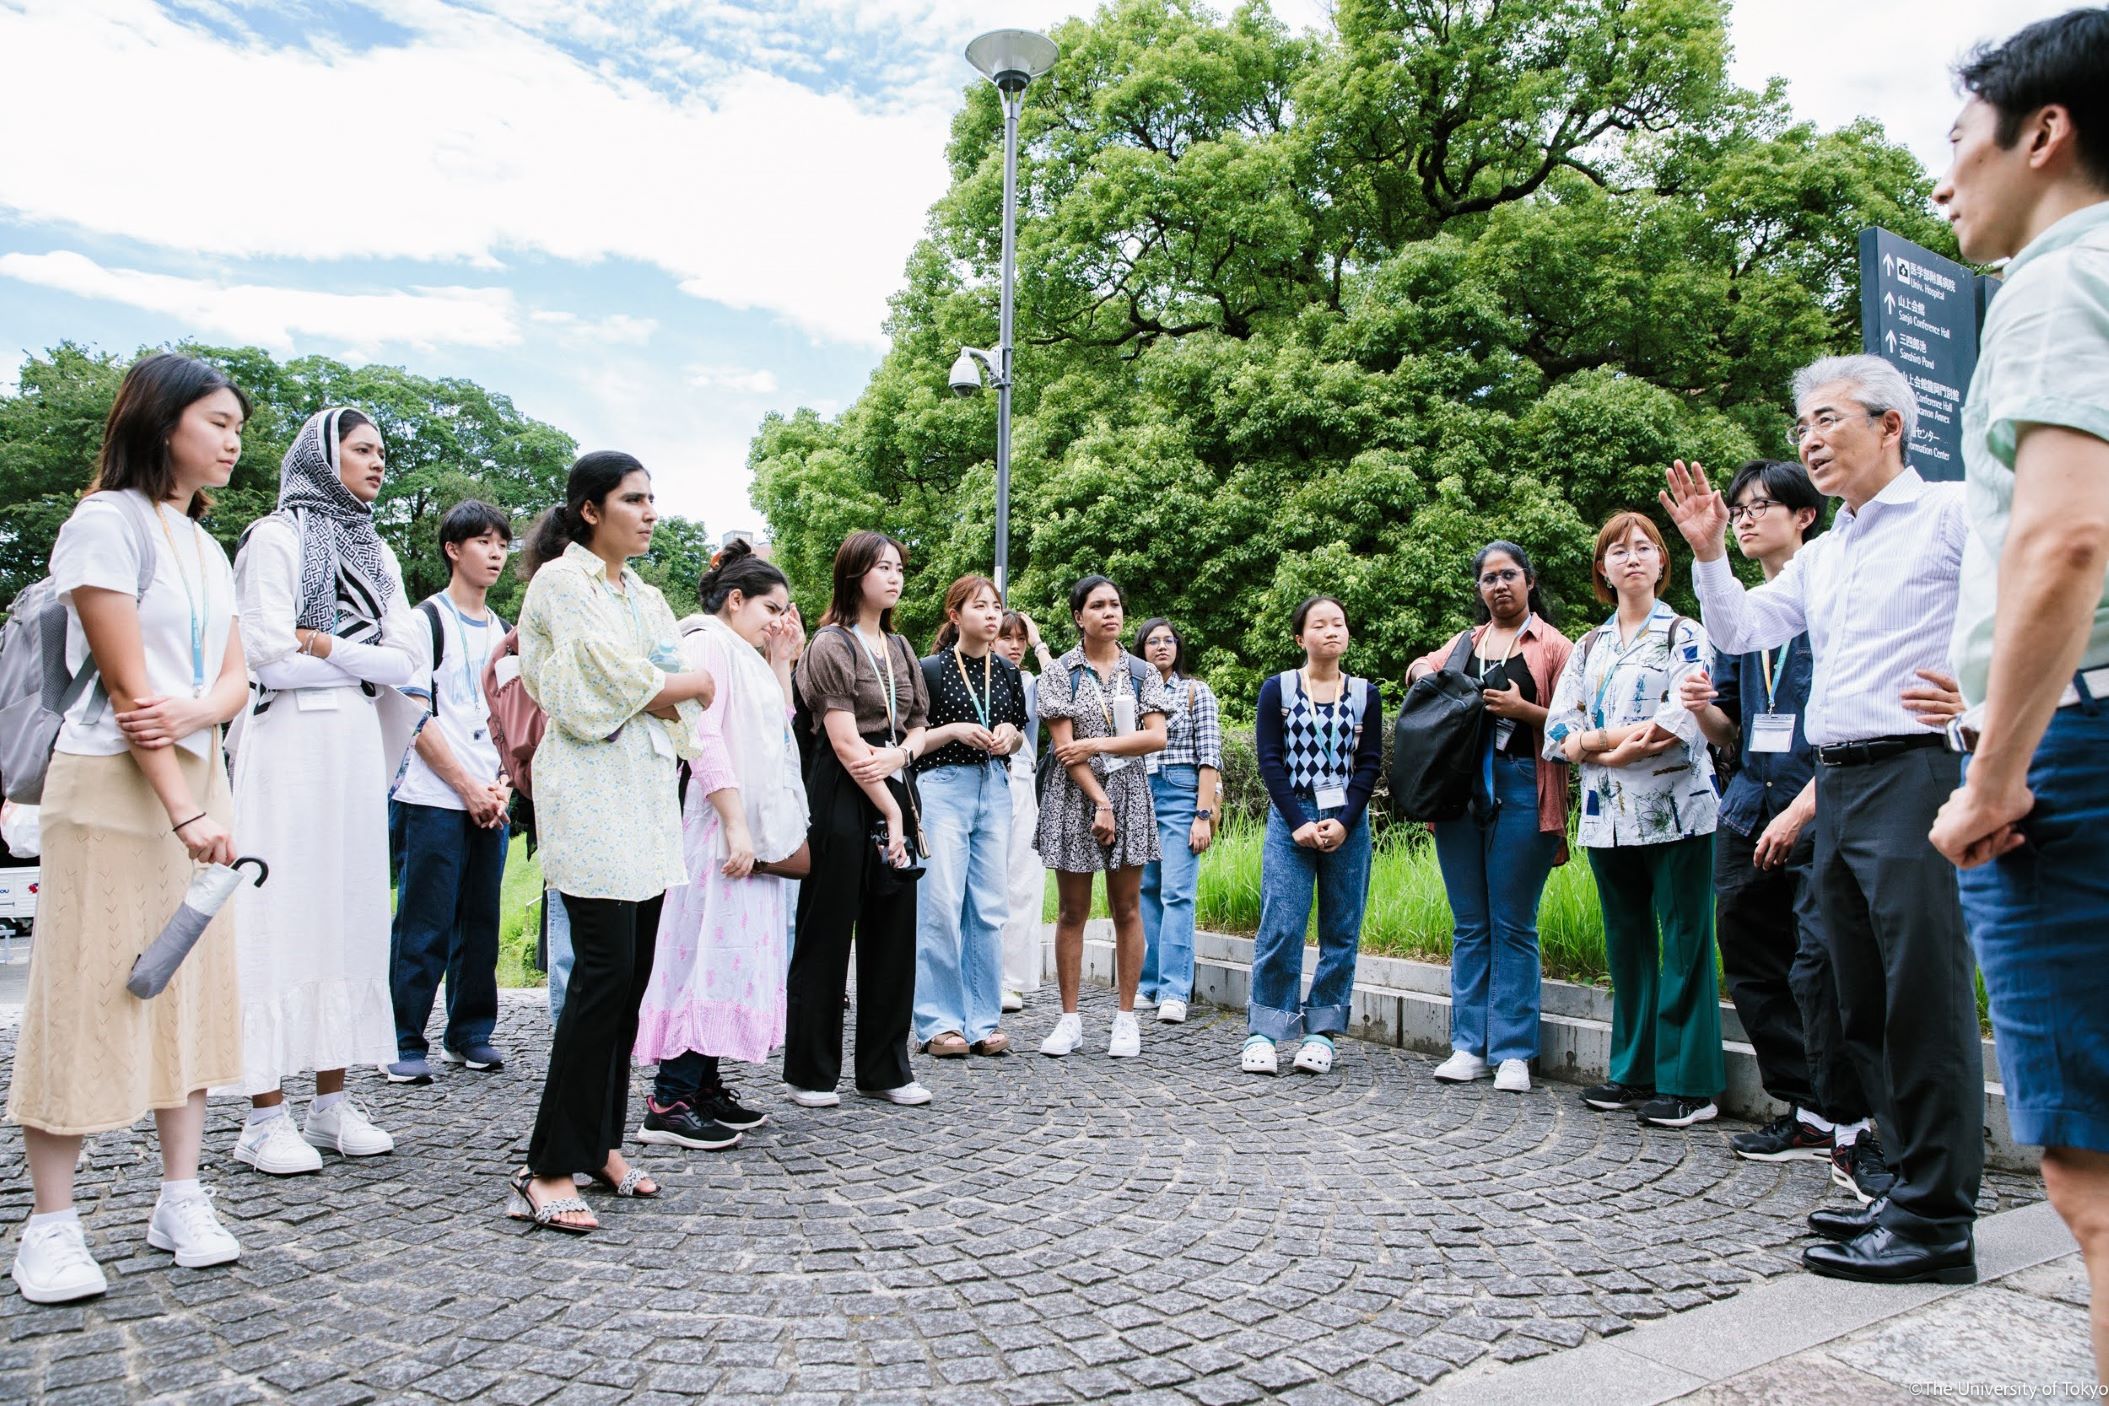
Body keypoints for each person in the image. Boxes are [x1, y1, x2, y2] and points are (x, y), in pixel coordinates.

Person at [1663, 352, 1982, 1285]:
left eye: (1828, 420)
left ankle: (1938, 1220)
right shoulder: (1830, 550)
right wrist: (1709, 553)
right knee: (1857, 998)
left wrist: (1982, 691)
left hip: (1915, 775)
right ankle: (1898, 1183)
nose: (1807, 440)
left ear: (1890, 425)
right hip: (1836, 786)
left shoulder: (1953, 513)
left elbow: (2038, 599)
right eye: (1800, 425)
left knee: (1923, 993)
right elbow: (1740, 632)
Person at [1927, 7, 2109, 1360]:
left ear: (2043, 132)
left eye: (1956, 141)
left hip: (2075, 762)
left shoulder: (2061, 275)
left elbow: (2061, 537)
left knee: (2094, 1185)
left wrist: (1995, 774)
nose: (1944, 180)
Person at [5, 354, 251, 1304]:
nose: (232, 441)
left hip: (197, 777)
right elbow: (125, 689)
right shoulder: (102, 524)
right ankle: (51, 1225)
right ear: (161, 423)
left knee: (186, 989)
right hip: (112, 785)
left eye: (236, 426)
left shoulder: (201, 539)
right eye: (216, 422)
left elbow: (230, 680)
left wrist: (198, 730)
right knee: (87, 989)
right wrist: (183, 797)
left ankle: (180, 1194)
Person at [507, 451, 713, 1232]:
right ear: (591, 509)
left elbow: (665, 675)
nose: (650, 511)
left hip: (645, 791)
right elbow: (617, 679)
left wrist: (669, 687)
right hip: (590, 788)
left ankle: (600, 1143)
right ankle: (546, 1164)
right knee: (599, 978)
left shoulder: (645, 593)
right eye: (634, 499)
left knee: (628, 980)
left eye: (654, 498)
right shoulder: (562, 583)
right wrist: (673, 687)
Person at [1674, 463, 1887, 1193]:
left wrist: (1806, 806)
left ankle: (1850, 1118)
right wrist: (1699, 706)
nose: (1744, 519)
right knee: (1751, 957)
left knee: (1819, 964)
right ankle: (1803, 1107)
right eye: (1737, 510)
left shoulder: (1833, 590)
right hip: (1746, 806)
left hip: (1819, 800)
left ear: (1805, 516)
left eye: (1759, 506)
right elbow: (1728, 728)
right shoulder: (1740, 613)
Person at [226, 407, 418, 1176]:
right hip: (287, 743)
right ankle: (263, 1113)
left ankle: (331, 1101)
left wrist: (326, 644)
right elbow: (268, 655)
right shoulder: (273, 539)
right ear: (321, 454)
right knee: (280, 915)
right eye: (362, 449)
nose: (376, 463)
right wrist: (357, 655)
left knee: (349, 911)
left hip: (353, 742)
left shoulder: (375, 552)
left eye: (381, 451)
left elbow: (408, 662)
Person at [1544, 514, 1723, 1129]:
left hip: (1677, 812)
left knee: (1685, 941)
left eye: (1644, 548)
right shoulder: (1589, 645)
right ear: (1602, 568)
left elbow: (1679, 719)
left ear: (1661, 562)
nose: (1632, 559)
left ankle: (1689, 1084)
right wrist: (1598, 743)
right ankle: (1635, 1070)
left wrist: (1600, 741)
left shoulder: (1685, 633)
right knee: (1628, 945)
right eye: (1618, 551)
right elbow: (1557, 726)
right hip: (1606, 816)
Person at [634, 542, 808, 1150]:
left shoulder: (743, 650)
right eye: (771, 607)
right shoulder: (707, 641)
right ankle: (671, 1096)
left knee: (730, 956)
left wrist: (782, 658)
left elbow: (775, 729)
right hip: (718, 822)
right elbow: (702, 736)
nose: (778, 620)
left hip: (746, 823)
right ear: (735, 600)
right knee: (704, 953)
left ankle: (702, 1083)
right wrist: (735, 822)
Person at [1411, 544, 1573, 1094]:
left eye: (1509, 575)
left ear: (1529, 580)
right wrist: (1422, 670)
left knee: (1514, 924)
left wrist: (1527, 713)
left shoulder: (1554, 647)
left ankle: (1513, 1052)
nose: (1499, 585)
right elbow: (1421, 670)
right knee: (1470, 923)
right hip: (1458, 791)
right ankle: (1467, 1046)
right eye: (1488, 578)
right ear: (1479, 589)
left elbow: (1582, 724)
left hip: (1524, 786)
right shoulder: (1465, 644)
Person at [784, 531, 933, 1107]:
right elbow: (846, 745)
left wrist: (901, 757)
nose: (894, 577)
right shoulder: (830, 644)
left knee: (894, 929)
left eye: (899, 567)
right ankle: (811, 1072)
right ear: (854, 575)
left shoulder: (899, 648)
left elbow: (919, 724)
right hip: (843, 792)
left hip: (895, 775)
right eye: (882, 567)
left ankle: (885, 1069)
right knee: (827, 928)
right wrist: (892, 808)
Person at [383, 500, 514, 1084]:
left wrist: (503, 785)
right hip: (433, 795)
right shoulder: (422, 621)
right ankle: (403, 1038)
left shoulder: (506, 633)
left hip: (493, 796)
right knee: (424, 921)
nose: (495, 554)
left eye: (502, 544)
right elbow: (413, 712)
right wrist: (465, 785)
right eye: (483, 542)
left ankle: (470, 1033)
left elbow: (514, 718)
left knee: (480, 922)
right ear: (453, 549)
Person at [1245, 597, 1383, 1076]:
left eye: (1338, 623)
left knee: (1341, 928)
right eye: (1319, 625)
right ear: (1299, 636)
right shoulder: (1278, 689)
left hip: (1347, 817)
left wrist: (1345, 820)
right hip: (1292, 816)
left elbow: (1368, 764)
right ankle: (1265, 1030)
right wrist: (1297, 821)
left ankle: (1321, 1031)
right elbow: (1269, 760)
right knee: (1281, 921)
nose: (1331, 631)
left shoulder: (1365, 693)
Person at [1034, 575, 1170, 1060]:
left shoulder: (1141, 671)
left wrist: (1098, 744)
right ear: (1078, 616)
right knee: (1073, 910)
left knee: (1127, 908)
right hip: (1076, 795)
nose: (1109, 612)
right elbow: (1064, 750)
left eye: (1115, 604)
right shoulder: (1060, 672)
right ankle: (1069, 1020)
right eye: (1098, 605)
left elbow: (1156, 737)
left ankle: (1126, 1018)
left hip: (1130, 793)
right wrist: (1100, 801)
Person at [912, 576, 1029, 1058]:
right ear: (955, 615)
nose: (992, 615)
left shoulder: (1006, 672)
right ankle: (938, 1022)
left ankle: (982, 1020)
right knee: (939, 903)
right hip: (942, 788)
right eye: (979, 606)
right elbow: (914, 739)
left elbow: (1020, 732)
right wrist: (956, 729)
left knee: (988, 906)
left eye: (996, 607)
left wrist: (1008, 735)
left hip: (995, 785)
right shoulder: (931, 669)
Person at [1134, 617, 1221, 1025]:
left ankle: (1174, 989)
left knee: (1177, 891)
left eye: (1169, 640)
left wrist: (1202, 814)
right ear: (1141, 649)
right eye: (1153, 641)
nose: (1162, 647)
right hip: (1139, 790)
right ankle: (1149, 982)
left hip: (1181, 791)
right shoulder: (1131, 691)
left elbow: (1210, 756)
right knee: (1147, 889)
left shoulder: (1193, 691)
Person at [995, 611, 1047, 1011]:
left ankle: (1013, 979)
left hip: (1020, 778)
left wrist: (1040, 642)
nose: (1015, 645)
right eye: (1006, 637)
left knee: (1023, 880)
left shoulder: (1029, 682)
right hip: (976, 776)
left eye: (1021, 639)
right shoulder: (968, 673)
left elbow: (1063, 691)